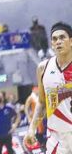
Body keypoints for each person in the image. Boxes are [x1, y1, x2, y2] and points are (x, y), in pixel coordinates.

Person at [25, 21, 72, 154]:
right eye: (55, 39)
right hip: (55, 137)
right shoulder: (43, 68)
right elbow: (42, 102)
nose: (58, 41)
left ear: (71, 41)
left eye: (62, 37)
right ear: (51, 44)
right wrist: (31, 129)